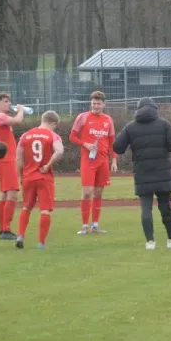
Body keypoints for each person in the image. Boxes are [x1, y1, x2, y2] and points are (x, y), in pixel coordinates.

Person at [113, 97, 171, 250]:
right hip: (163, 173)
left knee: (146, 208)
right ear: (154, 108)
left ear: (137, 110)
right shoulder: (163, 124)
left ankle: (150, 242)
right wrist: (165, 149)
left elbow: (117, 147)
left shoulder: (131, 127)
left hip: (142, 173)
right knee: (166, 208)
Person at [69, 90, 118, 235]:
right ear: (91, 103)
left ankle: (95, 225)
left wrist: (113, 159)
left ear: (104, 104)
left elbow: (111, 141)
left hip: (103, 161)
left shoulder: (108, 120)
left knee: (98, 193)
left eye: (99, 103)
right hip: (88, 161)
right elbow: (72, 136)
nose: (96, 106)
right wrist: (85, 144)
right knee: (87, 192)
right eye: (94, 103)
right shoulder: (83, 117)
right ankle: (85, 225)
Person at [15, 111, 64, 249]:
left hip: (28, 177)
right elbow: (59, 152)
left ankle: (20, 236)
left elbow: (18, 158)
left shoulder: (25, 135)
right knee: (45, 210)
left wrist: (21, 176)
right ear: (53, 123)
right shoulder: (53, 135)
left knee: (26, 207)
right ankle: (41, 243)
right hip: (44, 177)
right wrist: (48, 165)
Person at [0, 92, 26, 240]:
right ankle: (5, 229)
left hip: (4, 160)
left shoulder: (0, 118)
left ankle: (3, 229)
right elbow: (17, 121)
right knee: (12, 193)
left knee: (5, 194)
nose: (8, 104)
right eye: (5, 101)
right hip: (6, 160)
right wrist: (21, 111)